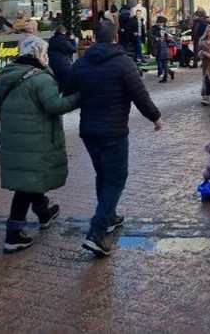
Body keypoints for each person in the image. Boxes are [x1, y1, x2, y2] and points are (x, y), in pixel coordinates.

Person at [62, 20, 164, 258]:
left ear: (95, 39)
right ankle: (97, 232)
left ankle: (109, 216)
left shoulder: (82, 62)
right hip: (114, 131)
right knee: (116, 179)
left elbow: (68, 90)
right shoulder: (123, 63)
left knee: (103, 175)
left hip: (89, 131)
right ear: (116, 38)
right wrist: (156, 117)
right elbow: (139, 94)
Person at [0, 36, 78, 252]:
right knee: (25, 184)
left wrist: (13, 121)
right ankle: (14, 233)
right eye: (45, 52)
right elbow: (54, 105)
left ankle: (43, 210)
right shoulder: (42, 79)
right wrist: (79, 97)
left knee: (31, 176)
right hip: (36, 136)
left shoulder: (8, 74)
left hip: (15, 137)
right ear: (39, 53)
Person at [149, 16, 175, 83]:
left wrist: (168, 42)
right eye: (158, 22)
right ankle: (170, 72)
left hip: (165, 47)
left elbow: (171, 37)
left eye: (160, 23)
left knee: (164, 64)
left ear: (163, 23)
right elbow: (148, 34)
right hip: (158, 47)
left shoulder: (166, 28)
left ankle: (165, 78)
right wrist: (155, 38)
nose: (159, 24)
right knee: (162, 64)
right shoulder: (154, 28)